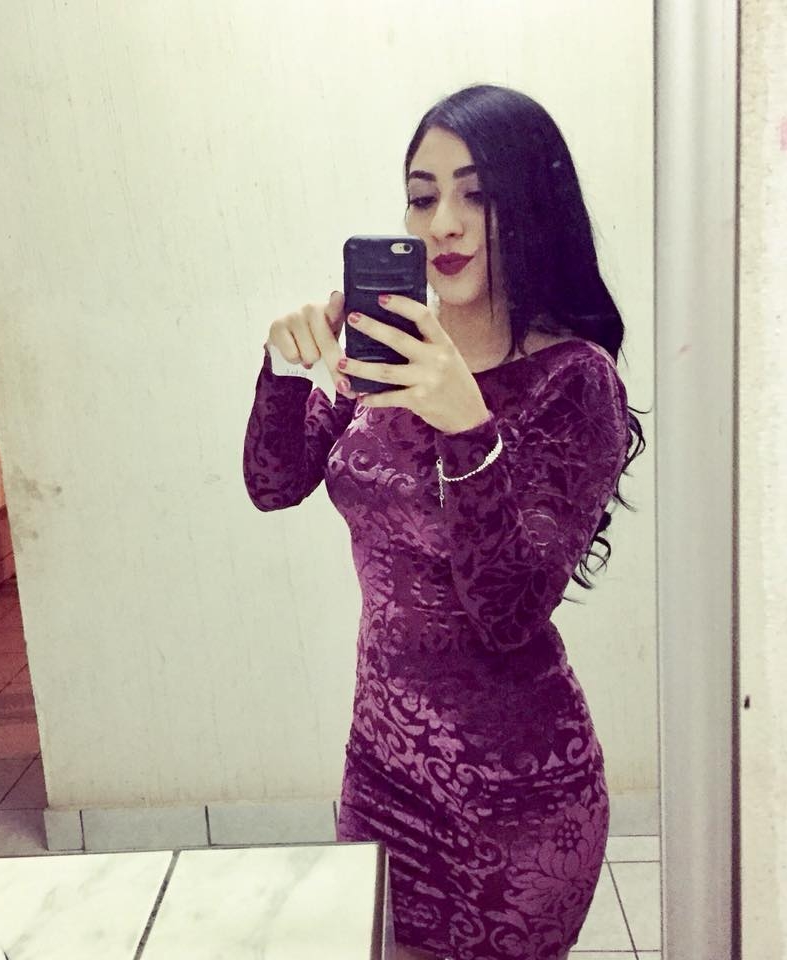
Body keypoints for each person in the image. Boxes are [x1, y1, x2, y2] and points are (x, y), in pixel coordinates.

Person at [242, 84, 645, 960]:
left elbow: (509, 608)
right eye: (422, 198)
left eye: (478, 195)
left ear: (532, 207)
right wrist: (283, 368)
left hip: (516, 801)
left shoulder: (573, 382)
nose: (444, 225)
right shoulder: (389, 359)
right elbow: (275, 484)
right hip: (382, 772)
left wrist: (467, 424)